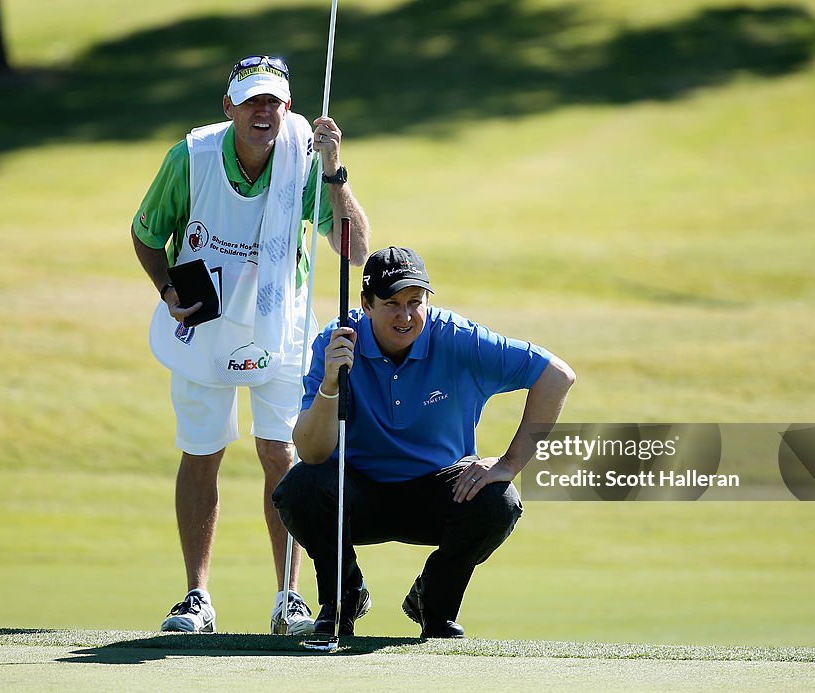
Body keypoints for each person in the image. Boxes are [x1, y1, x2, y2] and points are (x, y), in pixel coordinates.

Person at [131, 54, 370, 635]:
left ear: (287, 107)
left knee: (280, 457)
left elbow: (355, 249)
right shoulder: (192, 156)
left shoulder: (305, 157)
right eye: (251, 100)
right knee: (201, 452)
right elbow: (145, 234)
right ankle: (196, 597)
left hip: (279, 328)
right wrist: (167, 289)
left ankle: (288, 597)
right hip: (201, 329)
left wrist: (336, 173)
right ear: (229, 106)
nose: (263, 111)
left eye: (273, 101)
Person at [273, 247, 575, 638]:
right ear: (366, 304)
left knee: (498, 500)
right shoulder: (336, 343)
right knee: (300, 488)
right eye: (392, 303)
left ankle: (435, 604)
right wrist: (331, 383)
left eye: (416, 302)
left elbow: (556, 376)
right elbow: (312, 452)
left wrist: (509, 463)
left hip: (438, 492)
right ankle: (342, 599)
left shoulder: (456, 338)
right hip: (358, 494)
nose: (406, 316)